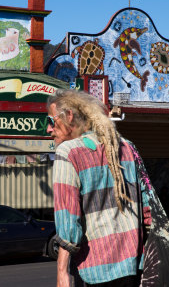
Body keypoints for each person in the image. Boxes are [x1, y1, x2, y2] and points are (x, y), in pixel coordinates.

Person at [47, 89, 150, 287]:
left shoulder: (68, 153)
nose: (49, 129)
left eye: (51, 121)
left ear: (69, 116)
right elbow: (148, 207)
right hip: (133, 267)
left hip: (95, 271)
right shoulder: (128, 147)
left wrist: (62, 272)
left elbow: (68, 222)